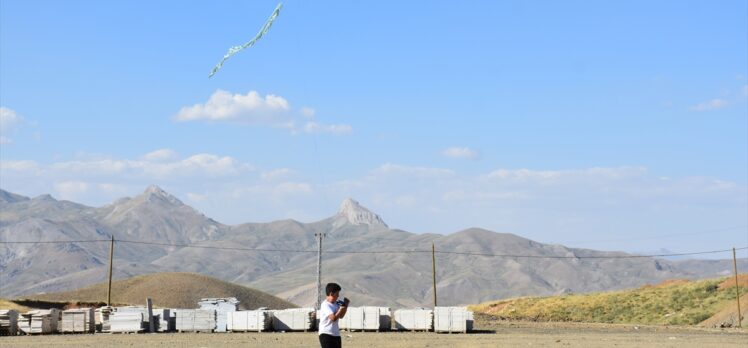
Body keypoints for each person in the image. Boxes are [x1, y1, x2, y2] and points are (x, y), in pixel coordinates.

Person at [318, 282, 350, 348]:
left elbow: (341, 316)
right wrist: (340, 309)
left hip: (336, 334)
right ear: (331, 294)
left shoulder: (336, 303)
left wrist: (345, 306)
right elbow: (333, 318)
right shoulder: (325, 305)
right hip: (326, 334)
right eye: (337, 294)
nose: (338, 296)